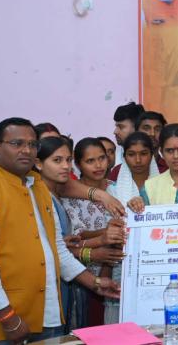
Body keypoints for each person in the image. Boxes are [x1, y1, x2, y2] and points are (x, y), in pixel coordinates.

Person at [0, 118, 120, 344]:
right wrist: (7, 317)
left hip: (47, 315)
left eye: (32, 144)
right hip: (4, 322)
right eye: (17, 143)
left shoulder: (38, 186)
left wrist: (95, 283)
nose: (26, 150)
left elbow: (56, 249)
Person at [61, 138, 126, 327]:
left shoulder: (118, 188)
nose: (98, 165)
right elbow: (73, 239)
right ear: (78, 164)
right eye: (90, 161)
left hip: (119, 274)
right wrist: (105, 235)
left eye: (102, 158)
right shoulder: (69, 196)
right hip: (83, 279)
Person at [35, 136, 78, 332]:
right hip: (49, 283)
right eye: (57, 160)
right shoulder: (40, 196)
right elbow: (52, 245)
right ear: (38, 164)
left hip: (63, 278)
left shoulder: (53, 194)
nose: (66, 166)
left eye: (68, 160)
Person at [111, 132, 161, 206]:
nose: (138, 160)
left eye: (143, 154)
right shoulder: (112, 190)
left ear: (151, 155)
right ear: (124, 157)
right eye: (131, 154)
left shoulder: (166, 186)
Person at [110, 101, 145, 175]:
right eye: (116, 126)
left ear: (137, 128)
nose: (115, 132)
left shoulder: (156, 158)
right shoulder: (112, 157)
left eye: (121, 127)